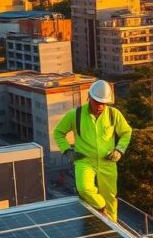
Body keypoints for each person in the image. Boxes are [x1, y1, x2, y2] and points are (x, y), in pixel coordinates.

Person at [54, 80, 132, 222]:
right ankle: (100, 206)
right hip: (84, 161)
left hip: (107, 161)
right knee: (84, 189)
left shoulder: (114, 114)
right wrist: (67, 151)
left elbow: (126, 132)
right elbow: (58, 132)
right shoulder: (75, 115)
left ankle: (112, 226)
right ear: (89, 97)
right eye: (97, 102)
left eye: (104, 103)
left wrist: (119, 150)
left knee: (110, 197)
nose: (100, 106)